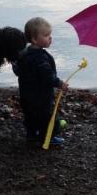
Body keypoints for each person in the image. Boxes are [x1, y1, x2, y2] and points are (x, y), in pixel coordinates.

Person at [13, 17, 69, 146]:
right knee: (47, 117)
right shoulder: (40, 59)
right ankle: (47, 137)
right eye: (46, 35)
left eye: (50, 34)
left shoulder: (24, 53)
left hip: (26, 96)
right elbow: (48, 77)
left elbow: (17, 70)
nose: (50, 38)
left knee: (30, 116)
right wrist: (60, 83)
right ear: (34, 39)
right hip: (41, 97)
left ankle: (31, 136)